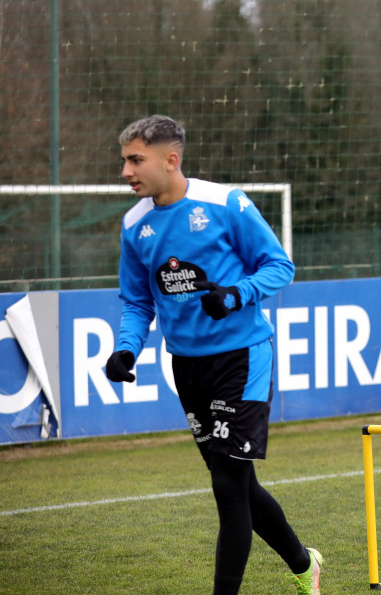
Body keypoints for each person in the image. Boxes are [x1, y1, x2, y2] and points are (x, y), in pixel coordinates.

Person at [105, 115, 322, 594]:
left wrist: (234, 295)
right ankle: (305, 565)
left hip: (242, 358)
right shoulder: (134, 224)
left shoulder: (224, 204)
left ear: (171, 159)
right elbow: (138, 301)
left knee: (227, 484)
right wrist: (125, 348)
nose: (126, 171)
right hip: (186, 366)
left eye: (135, 160)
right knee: (238, 483)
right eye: (125, 161)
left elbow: (280, 266)